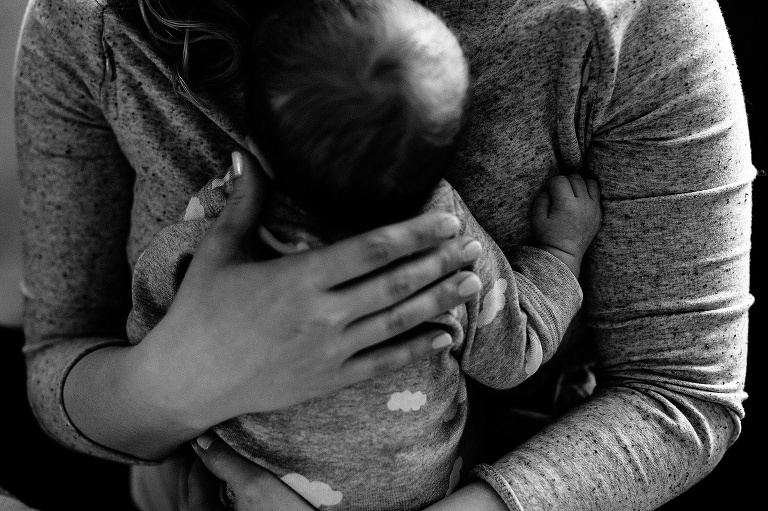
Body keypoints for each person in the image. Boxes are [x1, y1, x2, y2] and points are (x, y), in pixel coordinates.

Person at [15, 0, 753, 510]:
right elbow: (517, 347)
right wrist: (162, 390)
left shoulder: (213, 217)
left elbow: (681, 396)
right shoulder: (449, 246)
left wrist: (173, 399)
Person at [125, 1, 601, 507]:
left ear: (254, 147)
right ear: (453, 157)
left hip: (238, 492)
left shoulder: (205, 242)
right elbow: (514, 358)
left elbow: (150, 340)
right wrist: (559, 250)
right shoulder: (446, 244)